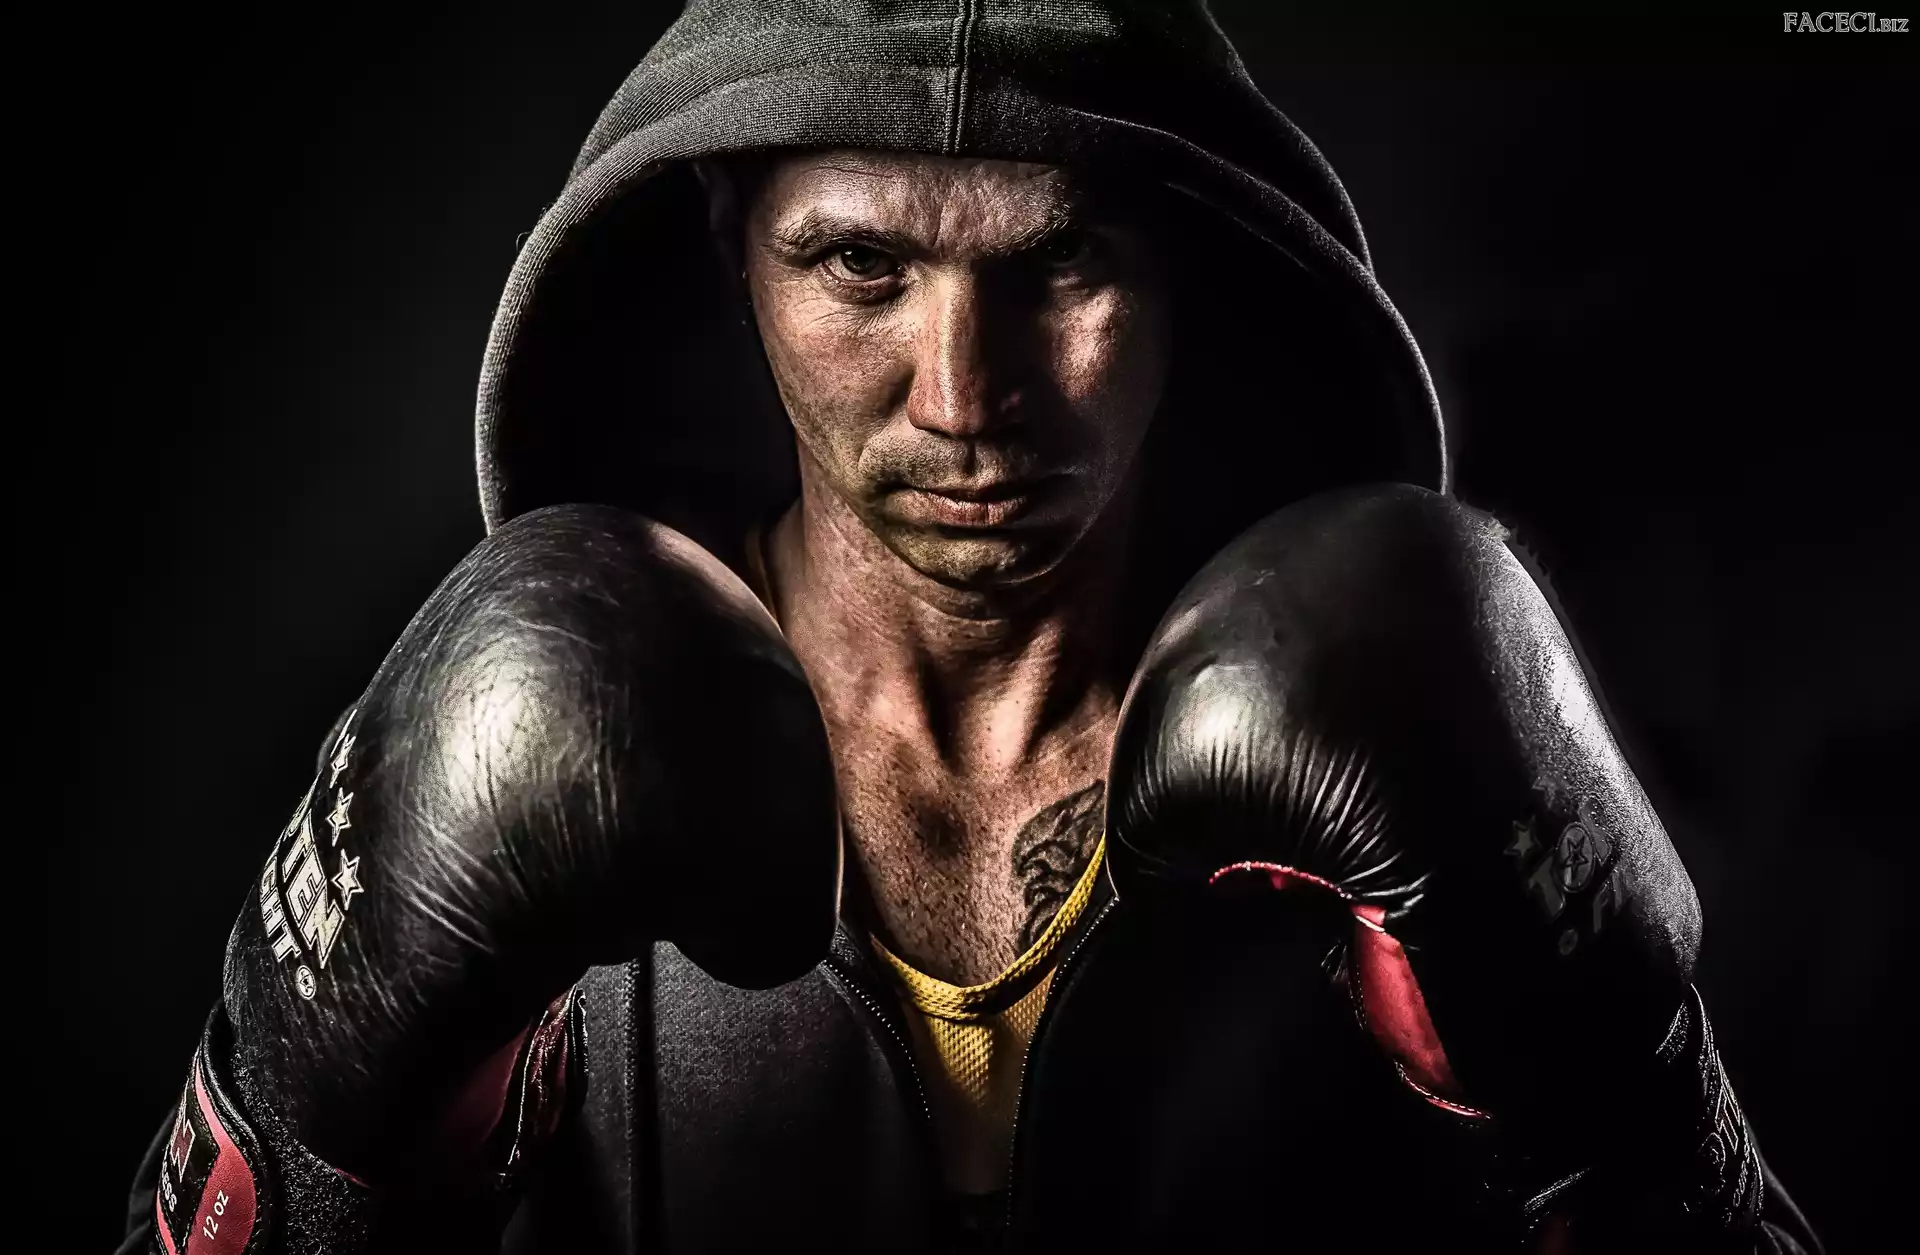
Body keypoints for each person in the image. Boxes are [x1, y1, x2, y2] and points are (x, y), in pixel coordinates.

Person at [122, 3, 1823, 1252]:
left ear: (1188, 267)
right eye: (860, 267)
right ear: (733, 247)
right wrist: (327, 1139)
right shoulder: (542, 739)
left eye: (1063, 264)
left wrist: (1625, 1107)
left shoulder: (1393, 757)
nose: (963, 400)